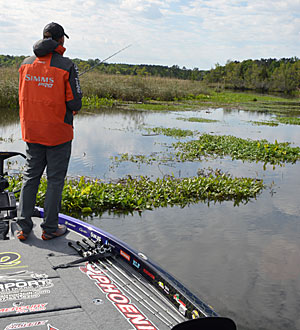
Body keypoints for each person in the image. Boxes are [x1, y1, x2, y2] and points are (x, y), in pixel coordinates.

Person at [17, 22, 82, 241]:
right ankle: (50, 228)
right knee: (55, 181)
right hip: (58, 134)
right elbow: (75, 104)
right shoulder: (67, 66)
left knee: (30, 177)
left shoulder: (25, 64)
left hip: (32, 131)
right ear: (60, 40)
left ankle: (23, 228)